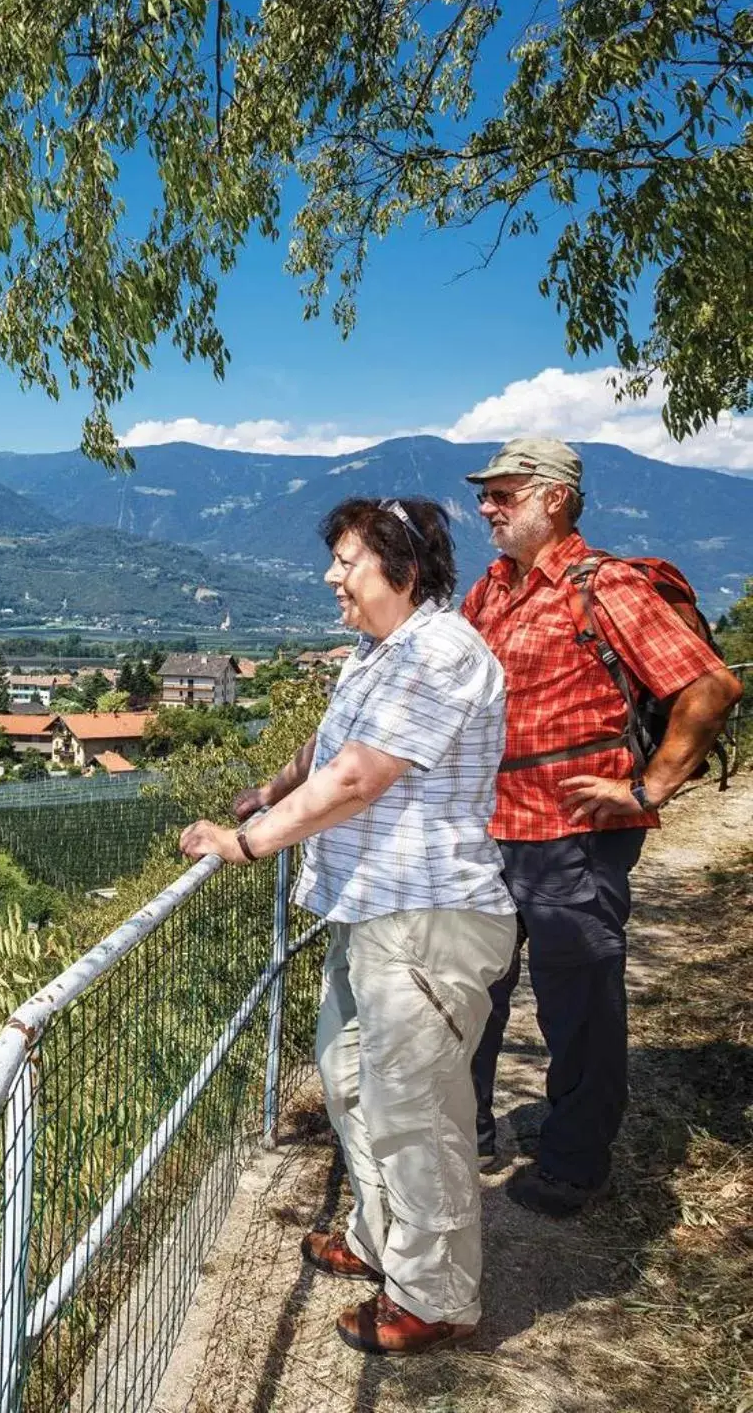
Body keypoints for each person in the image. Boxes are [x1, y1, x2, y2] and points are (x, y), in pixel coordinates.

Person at [183, 496, 513, 1355]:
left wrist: (248, 840)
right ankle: (381, 1241)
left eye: (348, 561)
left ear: (402, 569)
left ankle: (438, 1297)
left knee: (417, 1112)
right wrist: (271, 789)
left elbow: (359, 777)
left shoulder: (440, 653)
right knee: (352, 1082)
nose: (332, 577)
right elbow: (327, 755)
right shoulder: (381, 653)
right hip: (374, 910)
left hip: (427, 916)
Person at [460, 437, 741, 1215]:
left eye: (503, 493)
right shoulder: (491, 591)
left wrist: (646, 786)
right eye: (485, 494)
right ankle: (467, 1130)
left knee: (577, 1002)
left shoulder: (604, 585)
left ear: (555, 498)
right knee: (471, 987)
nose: (486, 506)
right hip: (489, 830)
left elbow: (709, 688)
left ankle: (574, 1163)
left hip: (570, 836)